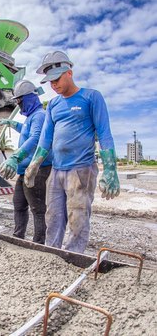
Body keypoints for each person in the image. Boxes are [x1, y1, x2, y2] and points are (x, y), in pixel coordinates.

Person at [25, 51, 120, 253]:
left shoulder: (91, 97)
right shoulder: (53, 104)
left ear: (69, 72)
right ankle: (52, 255)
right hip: (57, 171)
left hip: (81, 170)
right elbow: (46, 139)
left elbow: (104, 134)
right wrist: (34, 164)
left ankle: (73, 256)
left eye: (56, 79)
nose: (53, 85)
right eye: (49, 82)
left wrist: (110, 170)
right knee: (53, 217)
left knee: (77, 217)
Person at [0, 80, 52, 244]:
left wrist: (15, 157)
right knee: (19, 204)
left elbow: (35, 138)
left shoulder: (40, 115)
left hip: (37, 169)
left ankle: (38, 242)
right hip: (24, 170)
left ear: (29, 99)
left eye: (20, 101)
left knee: (37, 207)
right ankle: (18, 236)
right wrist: (12, 123)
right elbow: (26, 131)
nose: (19, 105)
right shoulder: (31, 117)